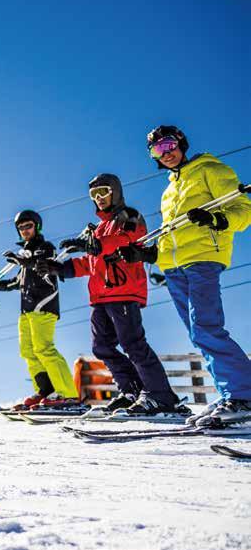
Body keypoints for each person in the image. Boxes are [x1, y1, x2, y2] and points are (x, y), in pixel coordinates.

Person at [118, 125, 251, 426]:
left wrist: (217, 219)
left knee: (207, 327)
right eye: (157, 150)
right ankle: (231, 393)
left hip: (203, 258)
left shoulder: (210, 170)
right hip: (175, 268)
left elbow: (243, 209)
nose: (166, 154)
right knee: (198, 332)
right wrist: (146, 255)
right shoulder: (169, 191)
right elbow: (170, 237)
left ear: (181, 143)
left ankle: (244, 394)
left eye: (168, 145)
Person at [37, 174, 185, 417]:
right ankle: (132, 391)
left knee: (133, 344)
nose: (99, 198)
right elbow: (90, 263)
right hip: (100, 297)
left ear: (115, 191)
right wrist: (59, 268)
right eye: (94, 195)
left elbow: (123, 239)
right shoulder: (99, 228)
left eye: (103, 192)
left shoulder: (129, 216)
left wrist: (90, 243)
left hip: (123, 292)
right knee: (102, 346)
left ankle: (161, 396)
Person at [0, 210, 80, 410]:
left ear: (37, 227)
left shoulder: (45, 248)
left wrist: (25, 261)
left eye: (28, 226)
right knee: (28, 351)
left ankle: (67, 393)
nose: (24, 230)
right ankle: (46, 390)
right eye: (21, 227)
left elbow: (43, 265)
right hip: (27, 310)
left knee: (44, 348)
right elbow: (15, 283)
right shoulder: (23, 257)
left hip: (43, 305)